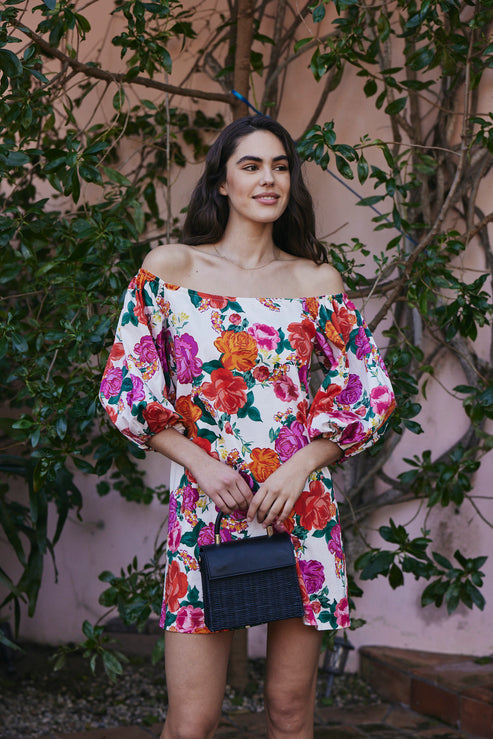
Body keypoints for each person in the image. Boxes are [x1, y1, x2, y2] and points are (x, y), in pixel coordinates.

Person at [99, 115, 395, 739]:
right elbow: (128, 387)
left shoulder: (316, 281)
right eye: (251, 166)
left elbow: (366, 389)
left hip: (300, 509)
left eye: (280, 166)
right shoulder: (171, 269)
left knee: (290, 713)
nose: (269, 179)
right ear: (222, 184)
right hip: (210, 504)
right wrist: (199, 464)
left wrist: (302, 466)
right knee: (193, 721)